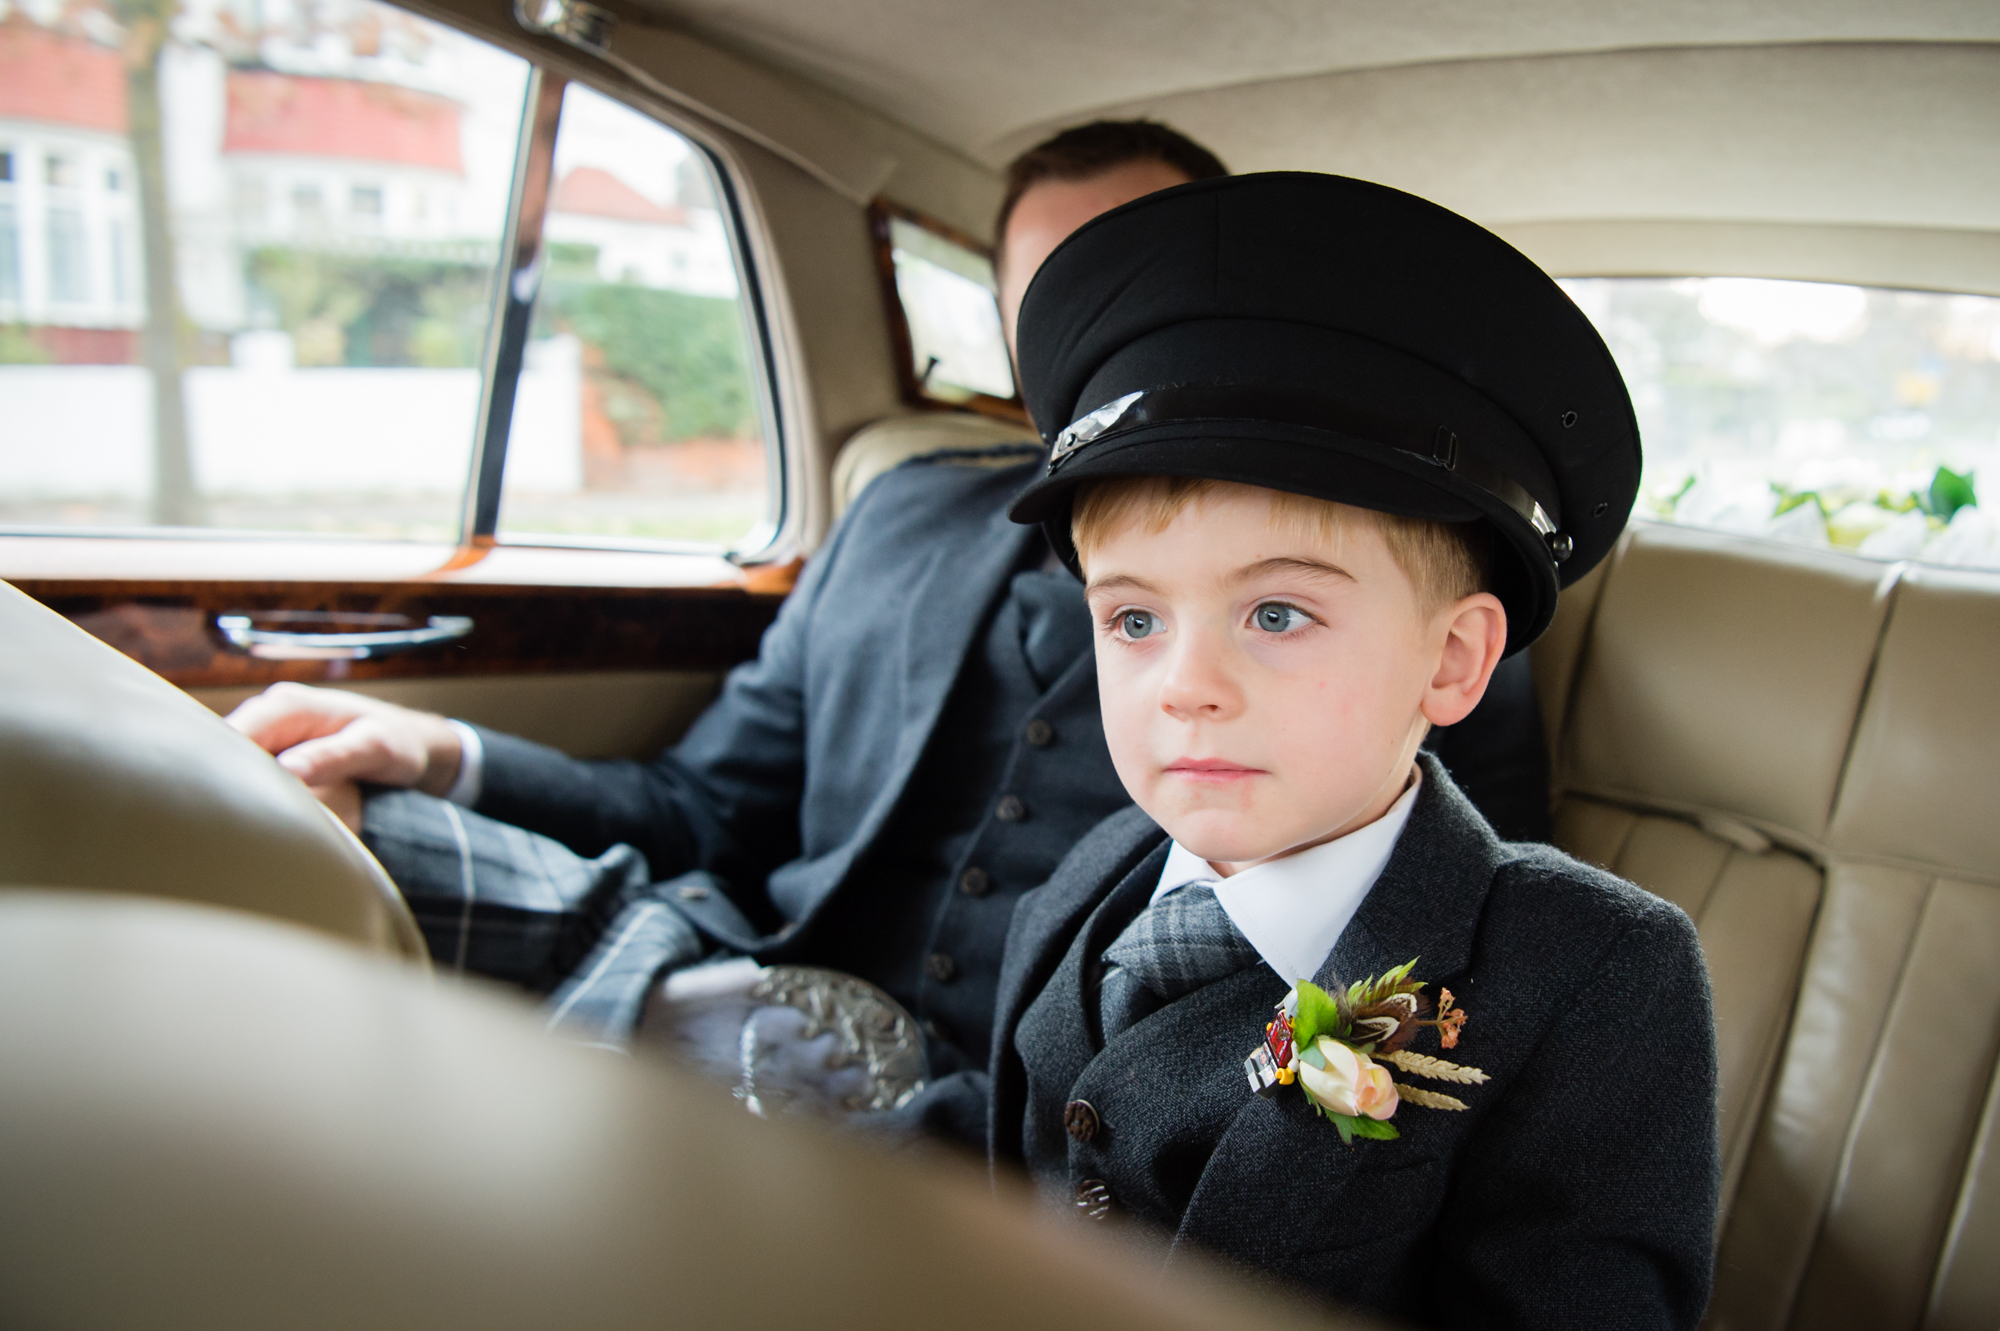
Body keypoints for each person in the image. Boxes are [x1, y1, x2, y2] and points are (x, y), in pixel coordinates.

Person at [224, 123, 1543, 1079]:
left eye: (1143, 279)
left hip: (1059, 1094)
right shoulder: (899, 511)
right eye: (1062, 295)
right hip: (740, 970)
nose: (1104, 329)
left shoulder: (1398, 607)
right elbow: (704, 808)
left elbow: (1435, 939)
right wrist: (439, 752)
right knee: (287, 827)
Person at [982, 173, 1717, 1329]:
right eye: (1133, 619)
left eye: (1275, 614)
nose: (1184, 687)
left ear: (1450, 663)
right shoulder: (1094, 875)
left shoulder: (1594, 972)